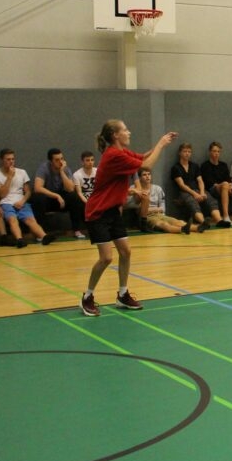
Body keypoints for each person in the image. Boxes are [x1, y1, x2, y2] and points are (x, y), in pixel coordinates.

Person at [81, 121, 177, 316]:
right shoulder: (113, 155)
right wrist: (161, 144)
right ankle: (87, 297)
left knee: (125, 252)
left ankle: (123, 294)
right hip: (98, 213)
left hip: (113, 212)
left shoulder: (122, 152)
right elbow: (146, 166)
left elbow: (143, 157)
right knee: (106, 258)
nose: (129, 132)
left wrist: (160, 143)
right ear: (115, 135)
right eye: (125, 130)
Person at [0, 148, 55, 248]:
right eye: (8, 159)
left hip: (21, 201)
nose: (11, 161)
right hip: (6, 202)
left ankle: (44, 236)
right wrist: (9, 177)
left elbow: (28, 191)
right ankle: (19, 239)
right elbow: (2, 194)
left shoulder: (22, 172)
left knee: (30, 219)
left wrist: (22, 201)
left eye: (13, 159)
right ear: (2, 160)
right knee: (12, 219)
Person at [31, 148, 86, 239]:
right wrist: (56, 196)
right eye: (57, 160)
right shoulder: (44, 168)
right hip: (48, 199)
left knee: (74, 197)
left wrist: (62, 172)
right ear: (51, 161)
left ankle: (76, 230)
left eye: (62, 158)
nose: (60, 162)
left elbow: (70, 189)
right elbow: (37, 188)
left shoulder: (65, 169)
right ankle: (40, 233)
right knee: (38, 198)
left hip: (61, 201)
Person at [137, 167, 205, 234]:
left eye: (149, 174)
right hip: (147, 217)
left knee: (178, 222)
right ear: (139, 178)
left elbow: (162, 209)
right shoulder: (137, 190)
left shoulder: (158, 189)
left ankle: (199, 227)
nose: (147, 176)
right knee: (164, 224)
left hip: (159, 215)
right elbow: (140, 210)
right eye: (144, 175)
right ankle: (182, 229)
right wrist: (155, 209)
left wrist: (155, 210)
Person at [171, 143, 223, 228]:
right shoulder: (176, 168)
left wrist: (202, 192)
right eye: (185, 151)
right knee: (193, 203)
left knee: (211, 201)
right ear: (180, 153)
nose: (187, 153)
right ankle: (203, 222)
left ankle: (219, 220)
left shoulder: (194, 166)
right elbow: (181, 185)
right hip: (184, 192)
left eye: (189, 152)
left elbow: (200, 181)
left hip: (197, 190)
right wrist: (194, 194)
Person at [199, 142, 232, 228]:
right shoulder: (205, 165)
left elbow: (228, 179)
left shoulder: (223, 165)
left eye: (218, 151)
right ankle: (226, 216)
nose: (216, 153)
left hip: (226, 187)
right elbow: (208, 182)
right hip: (212, 189)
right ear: (210, 152)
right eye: (214, 151)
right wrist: (224, 185)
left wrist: (231, 187)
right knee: (225, 184)